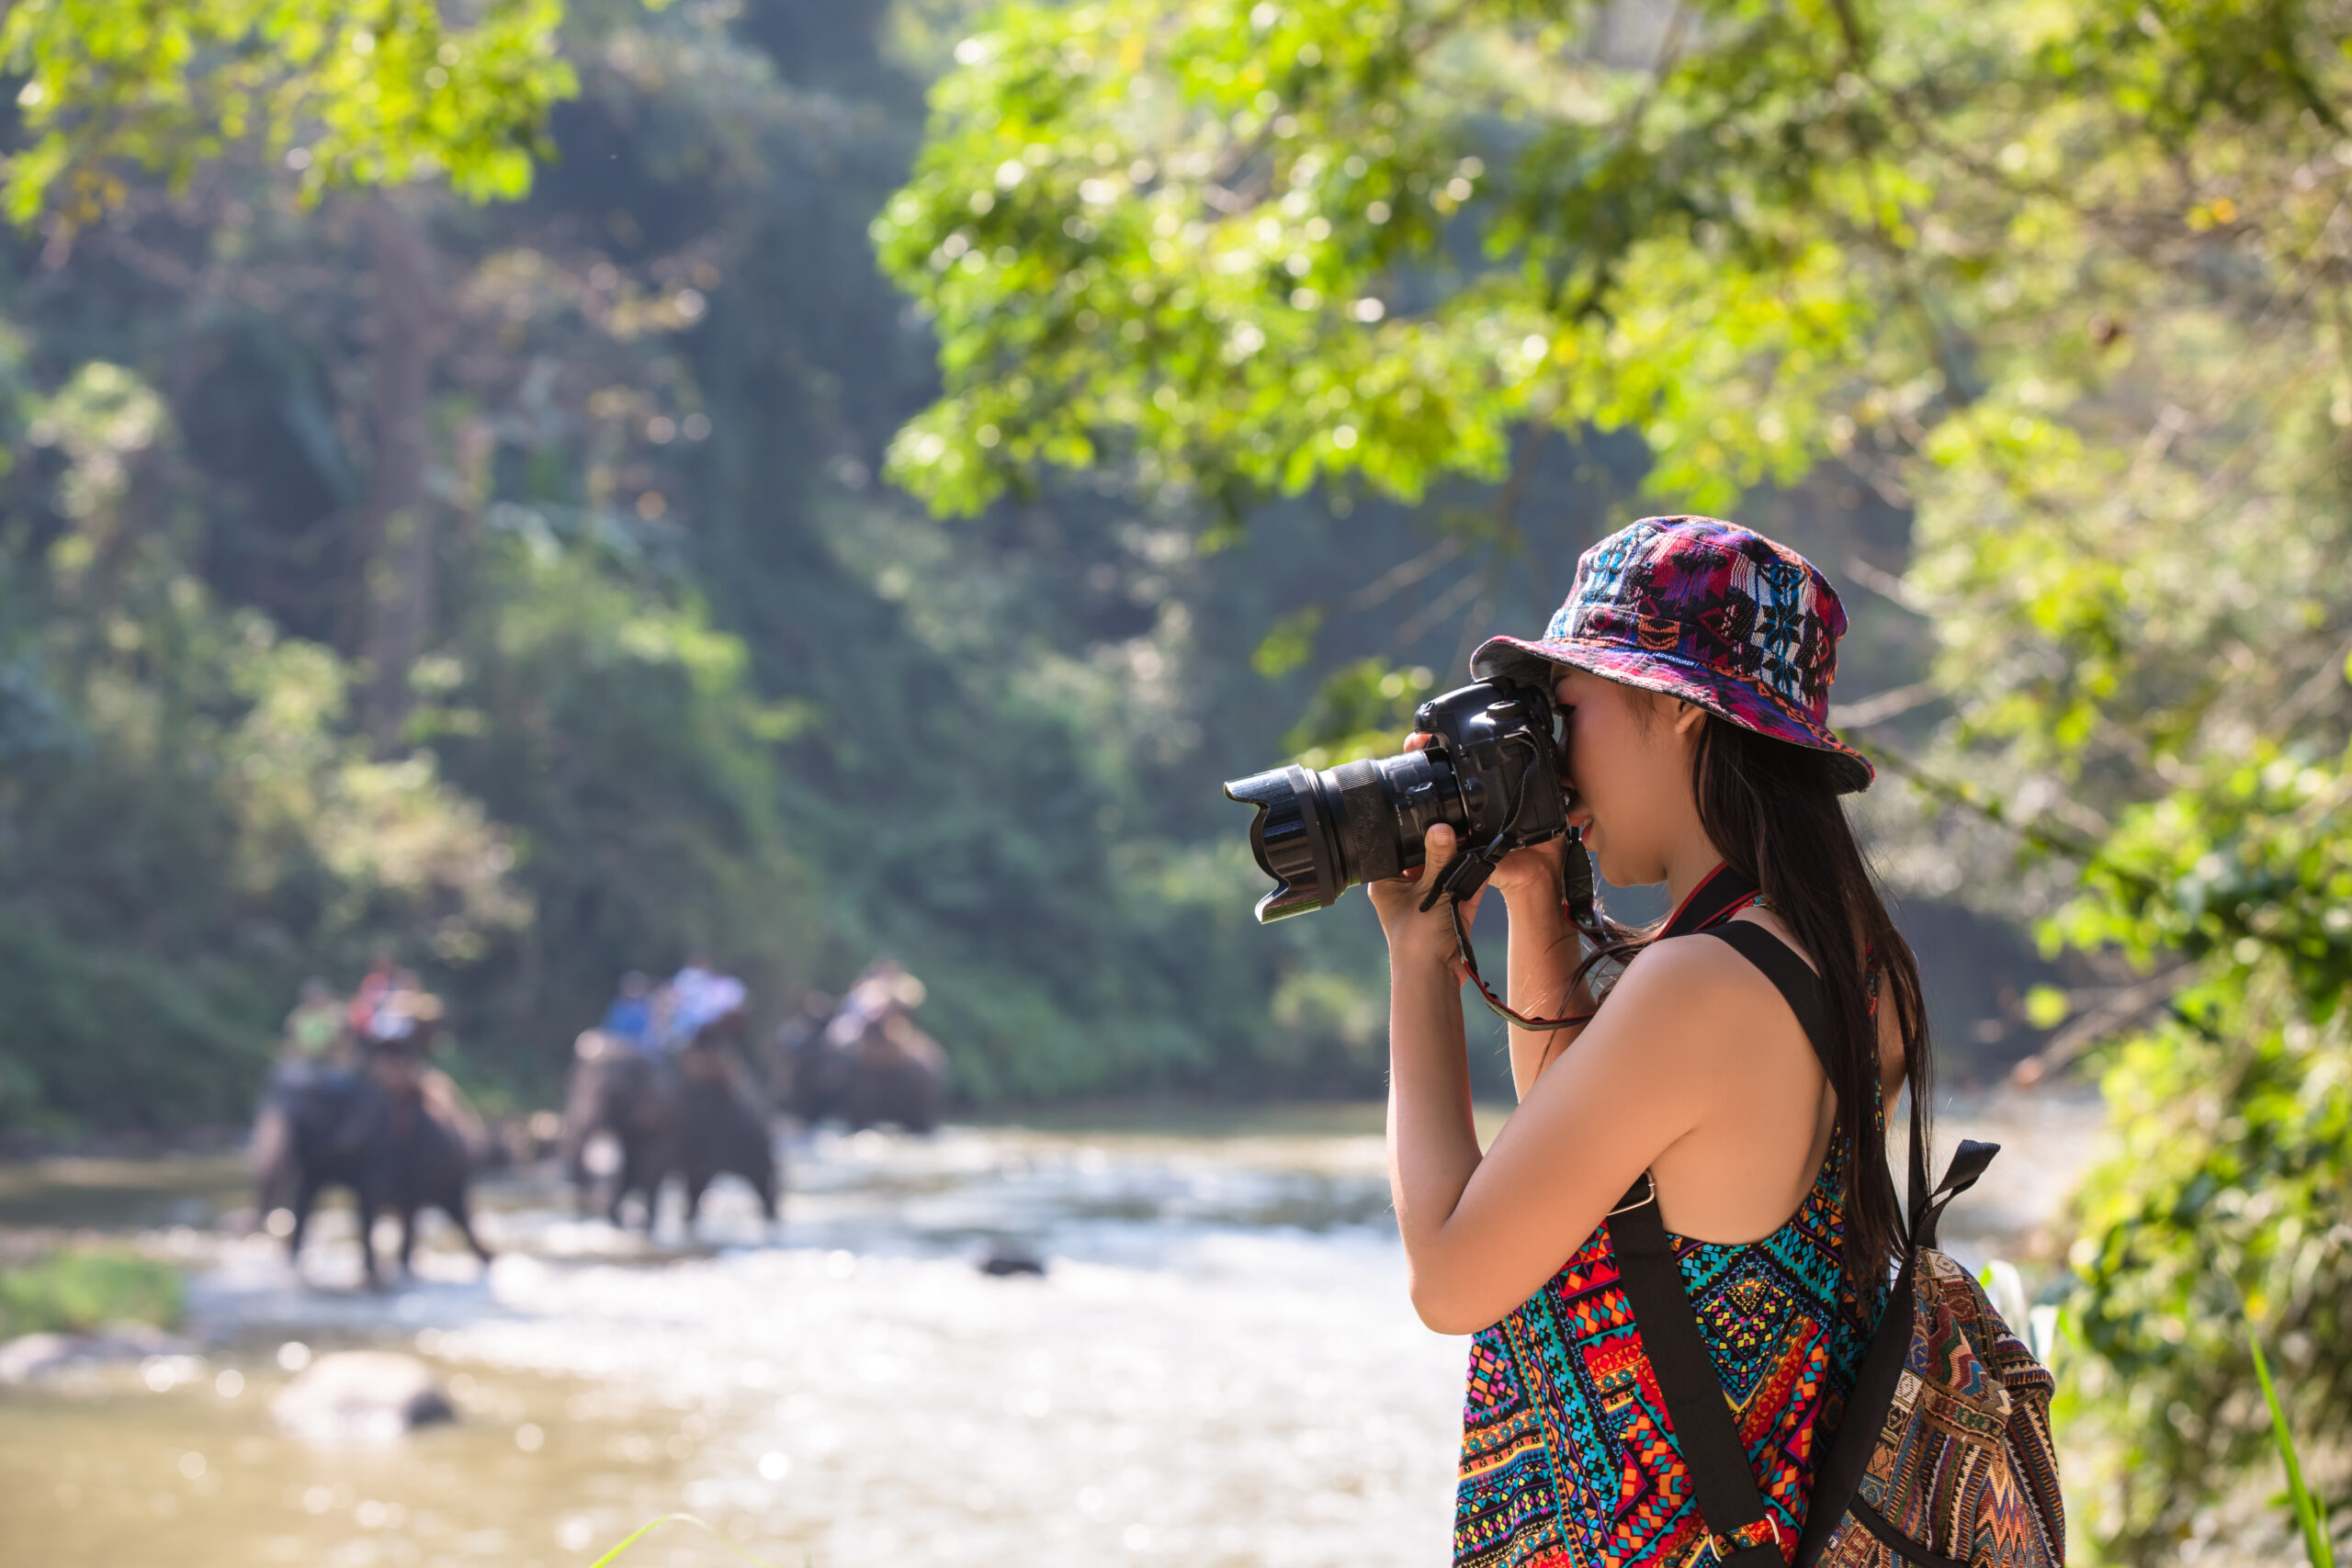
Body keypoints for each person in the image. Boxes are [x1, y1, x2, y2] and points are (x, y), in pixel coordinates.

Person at [1367, 518, 1928, 1567]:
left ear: (1674, 709)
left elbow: (1450, 1278)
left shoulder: (1697, 986)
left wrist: (1416, 961)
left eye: (1565, 710)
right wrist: (1537, 896)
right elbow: (1609, 1183)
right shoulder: (1844, 960)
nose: (1553, 754)